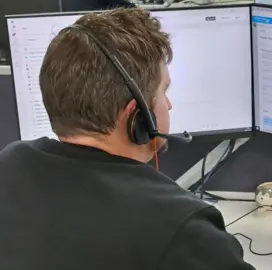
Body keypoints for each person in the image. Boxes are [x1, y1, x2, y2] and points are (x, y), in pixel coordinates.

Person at [0, 8, 255, 270]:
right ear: (137, 117)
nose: (168, 105)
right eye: (163, 91)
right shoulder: (181, 227)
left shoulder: (9, 165)